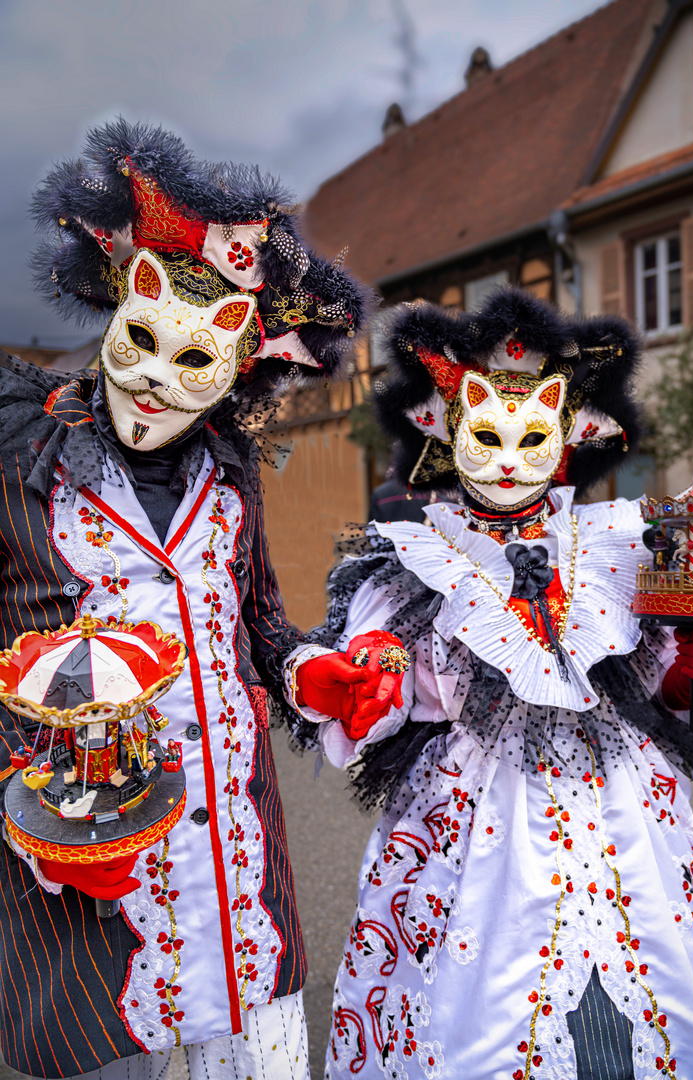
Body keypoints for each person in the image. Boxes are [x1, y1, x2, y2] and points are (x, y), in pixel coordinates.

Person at [0, 119, 399, 1080]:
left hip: (235, 877)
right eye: (141, 341)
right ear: (114, 312)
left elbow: (255, 621)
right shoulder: (19, 455)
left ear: (234, 369)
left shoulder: (230, 472)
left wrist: (318, 675)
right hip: (83, 889)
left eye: (194, 359)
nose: (153, 377)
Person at [297, 290, 693, 1080]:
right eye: (486, 436)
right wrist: (365, 684)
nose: (506, 460)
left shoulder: (618, 548)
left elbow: (657, 684)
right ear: (444, 435)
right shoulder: (415, 568)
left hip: (623, 814)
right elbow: (379, 696)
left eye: (531, 440)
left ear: (569, 438)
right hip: (474, 828)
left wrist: (689, 670)